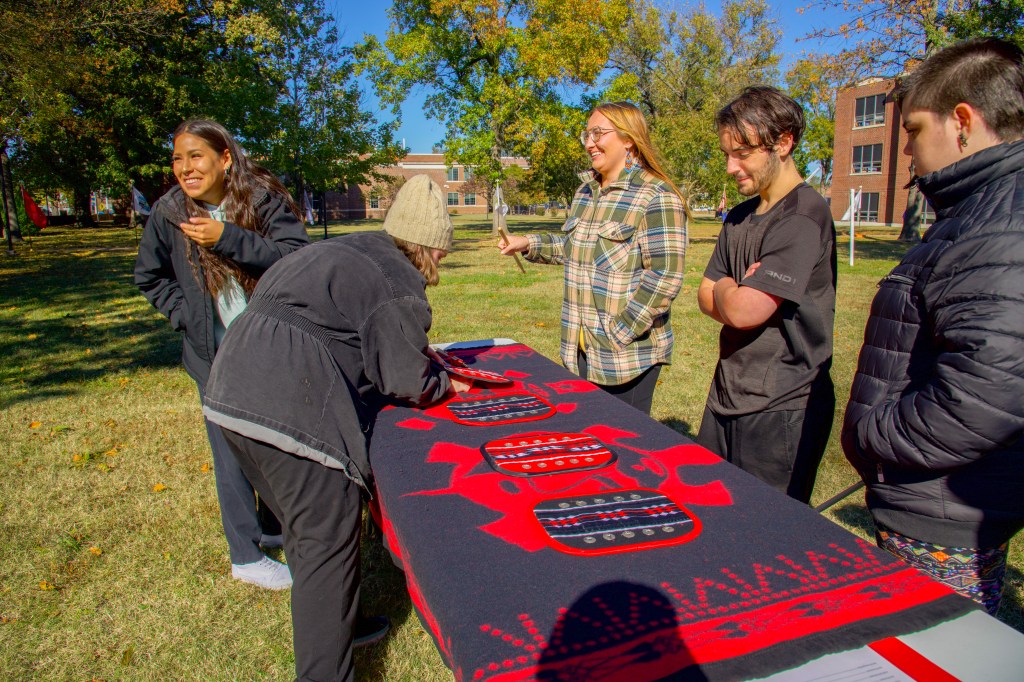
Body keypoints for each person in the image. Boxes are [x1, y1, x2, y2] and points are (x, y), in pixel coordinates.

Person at [201, 174, 472, 681]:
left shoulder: (348, 250)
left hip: (230, 391)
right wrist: (448, 385)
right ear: (431, 249)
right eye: (442, 257)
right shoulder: (398, 280)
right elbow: (406, 379)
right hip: (288, 408)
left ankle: (338, 623)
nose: (439, 269)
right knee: (326, 543)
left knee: (306, 535)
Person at [842, 38, 1024, 615]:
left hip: (941, 515)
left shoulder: (1001, 221)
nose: (909, 150)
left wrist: (878, 438)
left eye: (915, 130)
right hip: (934, 501)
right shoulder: (983, 211)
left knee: (933, 648)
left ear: (963, 122)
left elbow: (990, 385)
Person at [134, 118, 309, 589]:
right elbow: (150, 277)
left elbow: (296, 258)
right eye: (177, 158)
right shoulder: (169, 213)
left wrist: (225, 238)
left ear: (224, 158)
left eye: (195, 156)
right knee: (229, 447)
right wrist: (187, 317)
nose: (184, 167)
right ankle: (246, 556)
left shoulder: (261, 199)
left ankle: (273, 526)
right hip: (212, 353)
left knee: (274, 437)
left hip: (270, 345)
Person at [498, 102, 686, 416]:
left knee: (624, 446)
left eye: (598, 133)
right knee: (588, 438)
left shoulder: (656, 195)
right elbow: (573, 247)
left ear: (628, 139)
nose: (589, 142)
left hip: (626, 358)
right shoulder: (585, 192)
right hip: (580, 348)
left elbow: (664, 277)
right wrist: (526, 243)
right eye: (587, 134)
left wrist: (619, 333)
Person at [696, 86, 837, 504]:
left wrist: (727, 289)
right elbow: (706, 297)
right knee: (710, 509)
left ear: (783, 142)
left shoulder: (803, 216)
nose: (729, 166)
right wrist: (730, 288)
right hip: (727, 392)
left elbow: (744, 311)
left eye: (742, 153)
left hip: (783, 405)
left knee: (768, 532)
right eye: (726, 153)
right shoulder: (739, 216)